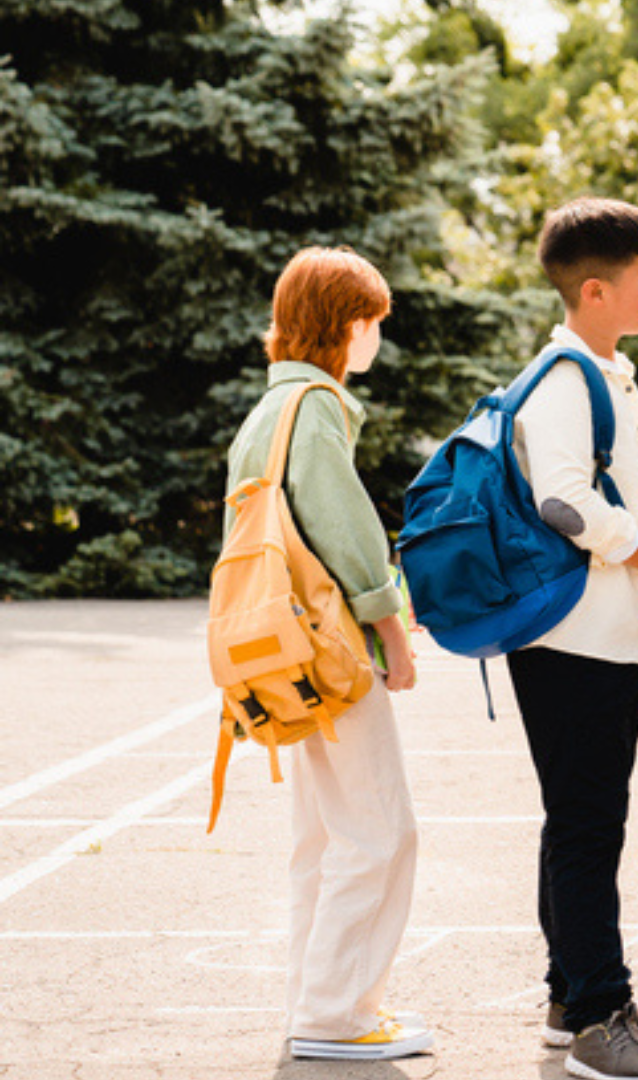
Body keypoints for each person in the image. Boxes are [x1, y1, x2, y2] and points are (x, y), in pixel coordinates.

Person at [508, 197, 638, 1080]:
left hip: (606, 636)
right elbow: (563, 501)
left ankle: (575, 994)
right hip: (573, 641)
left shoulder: (607, 374)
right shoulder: (565, 383)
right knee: (589, 826)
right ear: (595, 290)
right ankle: (597, 1017)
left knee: (581, 822)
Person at [224, 247, 430, 1061]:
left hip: (276, 651)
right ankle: (339, 1014)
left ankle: (316, 1002)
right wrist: (390, 631)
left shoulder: (266, 412)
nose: (378, 335)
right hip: (329, 650)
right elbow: (347, 534)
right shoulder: (317, 406)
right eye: (374, 320)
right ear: (347, 325)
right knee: (381, 829)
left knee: (322, 834)